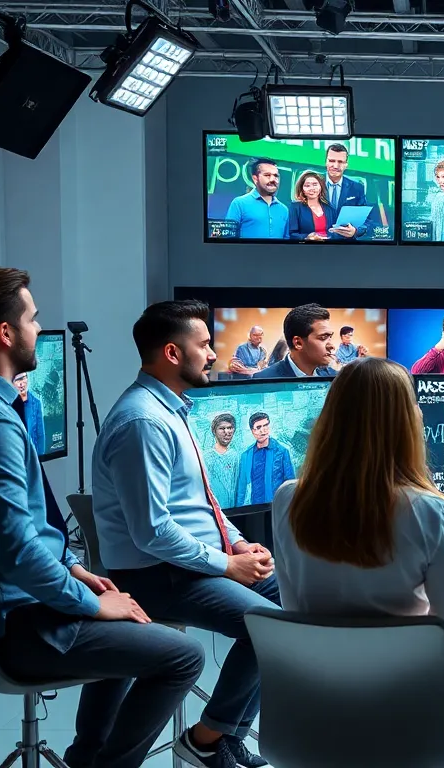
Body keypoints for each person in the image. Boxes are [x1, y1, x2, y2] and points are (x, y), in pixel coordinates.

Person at [0, 267, 205, 768]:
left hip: (3, 606)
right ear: (6, 333)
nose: (39, 329)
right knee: (182, 655)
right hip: (17, 623)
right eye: (33, 318)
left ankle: (87, 757)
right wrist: (88, 605)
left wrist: (74, 570)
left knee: (128, 616)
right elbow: (15, 550)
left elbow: (8, 532)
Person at [93, 299, 281, 768]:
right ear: (173, 354)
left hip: (191, 564)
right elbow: (152, 532)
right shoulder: (144, 423)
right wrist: (227, 564)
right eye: (205, 345)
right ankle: (208, 739)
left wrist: (236, 542)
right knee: (274, 630)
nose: (215, 354)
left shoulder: (170, 408)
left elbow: (202, 503)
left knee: (299, 596)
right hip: (159, 576)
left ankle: (226, 734)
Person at [270, 357, 444, 752]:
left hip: (316, 703)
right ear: (407, 422)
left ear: (331, 418)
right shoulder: (431, 509)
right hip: (411, 709)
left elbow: (294, 610)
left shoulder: (288, 498)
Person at [253, 304, 338, 378]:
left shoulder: (335, 377)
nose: (332, 346)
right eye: (323, 338)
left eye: (330, 337)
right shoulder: (265, 380)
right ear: (298, 343)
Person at [233, 411, 296, 508]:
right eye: (258, 427)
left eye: (265, 425)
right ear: (252, 431)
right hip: (255, 509)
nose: (263, 430)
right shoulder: (246, 455)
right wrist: (238, 511)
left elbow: (290, 484)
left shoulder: (282, 452)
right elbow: (241, 487)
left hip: (277, 507)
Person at [224, 158, 289, 240]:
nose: (273, 179)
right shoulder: (239, 204)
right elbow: (228, 237)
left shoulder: (284, 209)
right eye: (267, 175)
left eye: (276, 176)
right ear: (255, 179)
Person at [323, 143, 369, 240]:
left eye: (340, 162)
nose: (335, 166)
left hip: (346, 246)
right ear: (325, 162)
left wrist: (355, 231)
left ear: (346, 165)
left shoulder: (357, 188)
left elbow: (366, 221)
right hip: (317, 245)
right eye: (331, 161)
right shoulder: (313, 184)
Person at [205, 413, 241, 510]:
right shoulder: (206, 457)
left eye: (230, 428)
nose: (227, 432)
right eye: (222, 428)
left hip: (232, 510)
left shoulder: (235, 456)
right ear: (214, 431)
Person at [289, 170, 332, 242]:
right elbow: (292, 234)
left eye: (315, 184)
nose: (311, 188)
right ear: (302, 189)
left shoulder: (329, 207)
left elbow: (335, 231)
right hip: (307, 248)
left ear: (320, 186)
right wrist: (307, 237)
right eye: (307, 185)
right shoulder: (296, 207)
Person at [13, 371, 45, 454]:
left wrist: (39, 459)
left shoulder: (36, 403)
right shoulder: (9, 404)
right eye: (17, 380)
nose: (21, 383)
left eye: (23, 378)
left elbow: (40, 435)